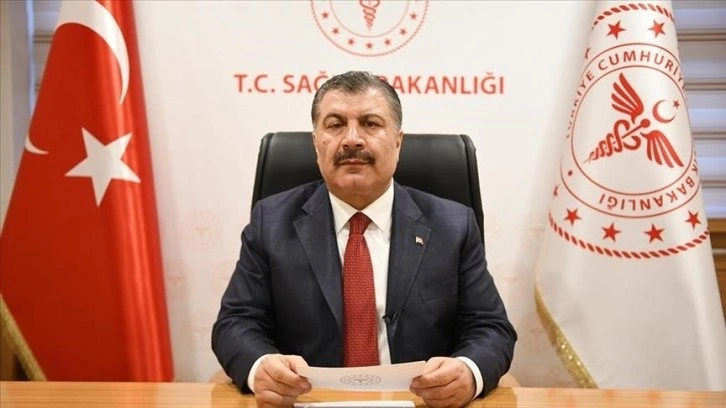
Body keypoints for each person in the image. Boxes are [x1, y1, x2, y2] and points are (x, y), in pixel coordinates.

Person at [212, 71, 516, 408]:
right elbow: (236, 323)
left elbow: (490, 328)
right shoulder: (271, 222)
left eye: (370, 124)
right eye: (335, 124)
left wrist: (468, 372)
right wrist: (261, 368)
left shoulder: (453, 225)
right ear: (316, 143)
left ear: (397, 142)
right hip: (309, 403)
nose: (352, 139)